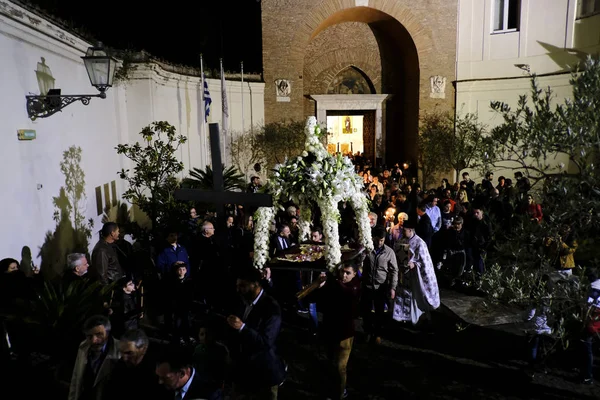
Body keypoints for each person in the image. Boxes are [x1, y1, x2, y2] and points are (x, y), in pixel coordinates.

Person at [227, 267, 286, 399]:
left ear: (256, 284)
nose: (238, 290)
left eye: (242, 286)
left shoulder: (271, 307)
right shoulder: (241, 301)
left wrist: (242, 328)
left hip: (264, 374)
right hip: (243, 372)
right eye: (237, 286)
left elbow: (265, 342)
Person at [313, 262, 361, 399]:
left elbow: (345, 292)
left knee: (341, 367)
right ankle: (331, 389)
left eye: (347, 273)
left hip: (344, 333)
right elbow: (321, 300)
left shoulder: (355, 287)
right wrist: (320, 287)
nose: (343, 275)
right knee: (330, 363)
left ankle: (340, 393)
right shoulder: (336, 284)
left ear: (355, 274)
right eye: (342, 272)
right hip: (330, 329)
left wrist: (328, 280)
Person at [69, 315, 120, 400]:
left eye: (99, 334)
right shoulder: (83, 347)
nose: (94, 340)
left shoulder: (119, 351)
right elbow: (75, 379)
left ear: (107, 333)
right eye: (89, 336)